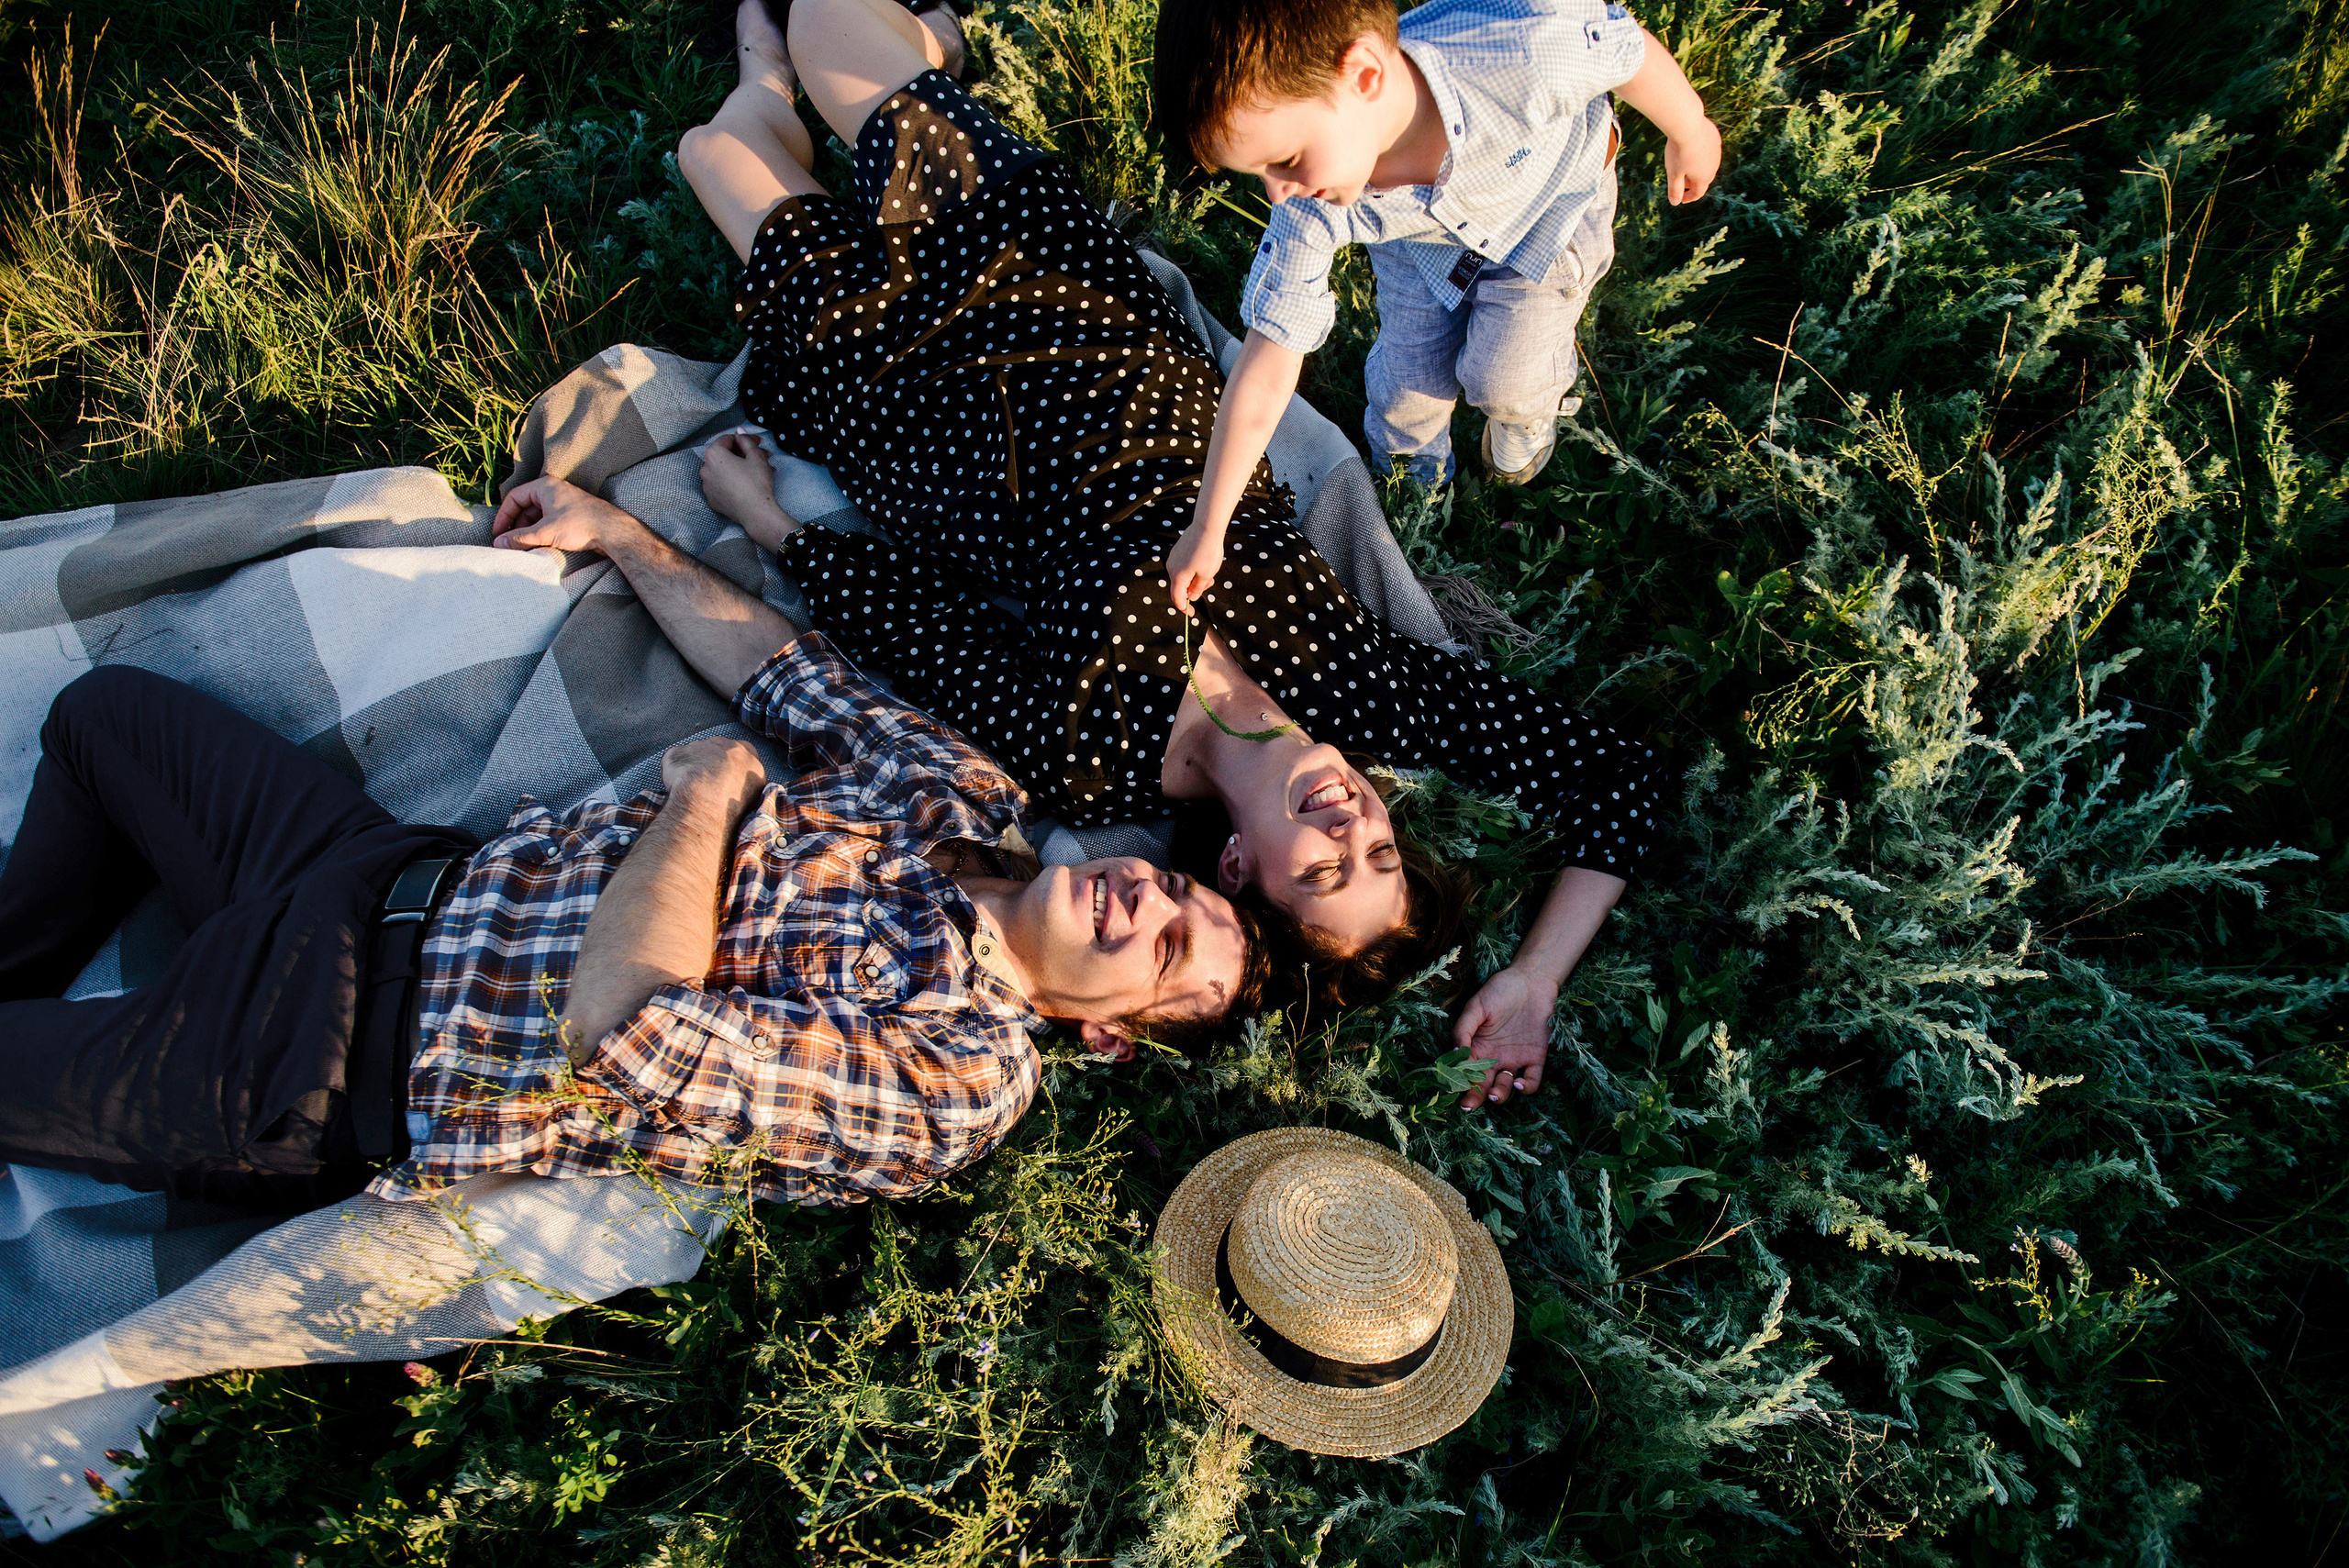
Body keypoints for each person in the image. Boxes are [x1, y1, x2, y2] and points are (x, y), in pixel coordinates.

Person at [674, 0, 1664, 1110]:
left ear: (1239, 872)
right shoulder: (1369, 697)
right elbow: (1618, 785)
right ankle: (903, 58)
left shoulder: (1095, 767)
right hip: (1081, 315)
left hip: (929, 419)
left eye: (1326, 871)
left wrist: (774, 526)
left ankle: (767, 94)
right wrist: (1533, 979)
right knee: (824, 22)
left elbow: (935, 639)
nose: (1351, 827)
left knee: (713, 150)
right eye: (1379, 851)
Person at [0, 578, 1257, 1210]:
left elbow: (630, 1023)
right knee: (104, 717)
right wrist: (620, 536)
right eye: (1179, 890)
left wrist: (710, 796)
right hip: (372, 867)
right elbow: (788, 672)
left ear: (1109, 1031)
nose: (1152, 898)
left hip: (322, 1057)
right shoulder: (960, 796)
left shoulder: (963, 1074)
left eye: (1168, 949)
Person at [1152, 0, 1722, 527]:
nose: (1278, 193)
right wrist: (1208, 525)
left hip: (1547, 215)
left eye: (1284, 160)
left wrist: (1690, 128)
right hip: (1418, 250)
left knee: (1506, 376)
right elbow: (1267, 363)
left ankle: (1524, 424)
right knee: (1406, 390)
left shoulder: (1522, 50)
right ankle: (1416, 494)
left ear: (1365, 76)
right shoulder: (1309, 202)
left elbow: (1623, 48)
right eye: (1260, 175)